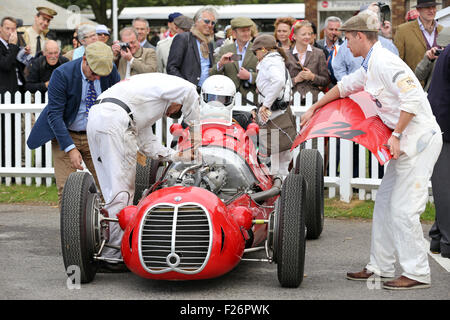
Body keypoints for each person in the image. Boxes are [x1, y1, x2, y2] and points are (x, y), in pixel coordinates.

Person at [301, 11, 443, 290]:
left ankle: (417, 272)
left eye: (347, 38)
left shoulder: (386, 62)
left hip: (418, 141)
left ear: (360, 36)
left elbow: (413, 97)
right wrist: (314, 108)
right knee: (384, 205)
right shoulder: (371, 63)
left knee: (404, 210)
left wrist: (397, 134)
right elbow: (344, 86)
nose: (344, 45)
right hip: (405, 142)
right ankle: (381, 265)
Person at [86, 73, 200, 268]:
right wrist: (196, 133)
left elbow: (148, 145)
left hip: (97, 117)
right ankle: (115, 253)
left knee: (109, 188)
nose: (171, 114)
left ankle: (109, 244)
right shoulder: (174, 85)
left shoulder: (144, 93)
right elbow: (191, 91)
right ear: (176, 100)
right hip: (116, 122)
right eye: (177, 110)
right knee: (123, 191)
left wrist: (176, 156)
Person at [26, 42, 121, 207]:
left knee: (110, 186)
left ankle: (111, 230)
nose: (98, 77)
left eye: (102, 74)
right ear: (85, 59)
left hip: (96, 135)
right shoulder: (62, 74)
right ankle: (71, 231)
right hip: (65, 132)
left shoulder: (110, 72)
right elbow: (54, 115)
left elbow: (117, 106)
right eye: (94, 72)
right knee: (67, 188)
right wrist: (70, 148)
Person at [252, 34, 296, 177]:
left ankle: (279, 193)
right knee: (281, 159)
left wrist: (265, 105)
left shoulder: (269, 62)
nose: (255, 55)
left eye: (256, 51)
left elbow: (278, 82)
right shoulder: (277, 60)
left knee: (275, 159)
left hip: (275, 113)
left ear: (263, 49)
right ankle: (283, 190)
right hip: (281, 112)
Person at [426, 31, 450, 259]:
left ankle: (436, 237)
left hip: (440, 122)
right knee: (445, 187)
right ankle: (448, 242)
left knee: (444, 184)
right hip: (444, 124)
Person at [167, 6, 217, 91]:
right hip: (186, 93)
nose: (210, 25)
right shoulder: (183, 38)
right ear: (197, 21)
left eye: (213, 23)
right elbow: (171, 68)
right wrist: (187, 87)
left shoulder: (209, 44)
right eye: (207, 21)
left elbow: (208, 69)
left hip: (205, 92)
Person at [211, 17, 259, 103]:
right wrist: (220, 64)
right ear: (234, 33)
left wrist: (250, 76)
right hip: (229, 99)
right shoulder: (224, 50)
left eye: (248, 30)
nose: (246, 33)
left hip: (251, 100)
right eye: (243, 31)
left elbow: (266, 77)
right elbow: (212, 74)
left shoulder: (257, 50)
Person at [394, 0, 443, 75]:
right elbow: (396, 62)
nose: (431, 11)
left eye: (433, 7)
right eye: (427, 7)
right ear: (418, 9)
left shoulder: (442, 30)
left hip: (438, 84)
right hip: (413, 83)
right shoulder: (403, 30)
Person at [286, 20, 329, 103]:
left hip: (314, 101)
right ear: (294, 36)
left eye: (309, 34)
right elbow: (281, 82)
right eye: (303, 34)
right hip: (292, 101)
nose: (307, 37)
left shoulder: (319, 53)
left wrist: (312, 77)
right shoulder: (286, 55)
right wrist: (296, 79)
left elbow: (325, 80)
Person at [415, 27, 450, 91]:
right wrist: (427, 59)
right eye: (441, 47)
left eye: (446, 48)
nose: (443, 50)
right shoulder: (436, 58)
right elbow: (419, 76)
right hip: (432, 96)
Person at [0, 16, 25, 101]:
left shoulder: (13, 45)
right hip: (4, 94)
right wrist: (13, 46)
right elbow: (5, 65)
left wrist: (23, 54)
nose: (10, 32)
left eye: (13, 29)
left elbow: (19, 69)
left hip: (17, 90)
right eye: (7, 28)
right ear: (0, 28)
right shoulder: (12, 45)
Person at [317, 16, 343, 86]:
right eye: (331, 29)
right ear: (325, 30)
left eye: (336, 29)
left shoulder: (345, 47)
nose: (334, 32)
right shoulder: (316, 46)